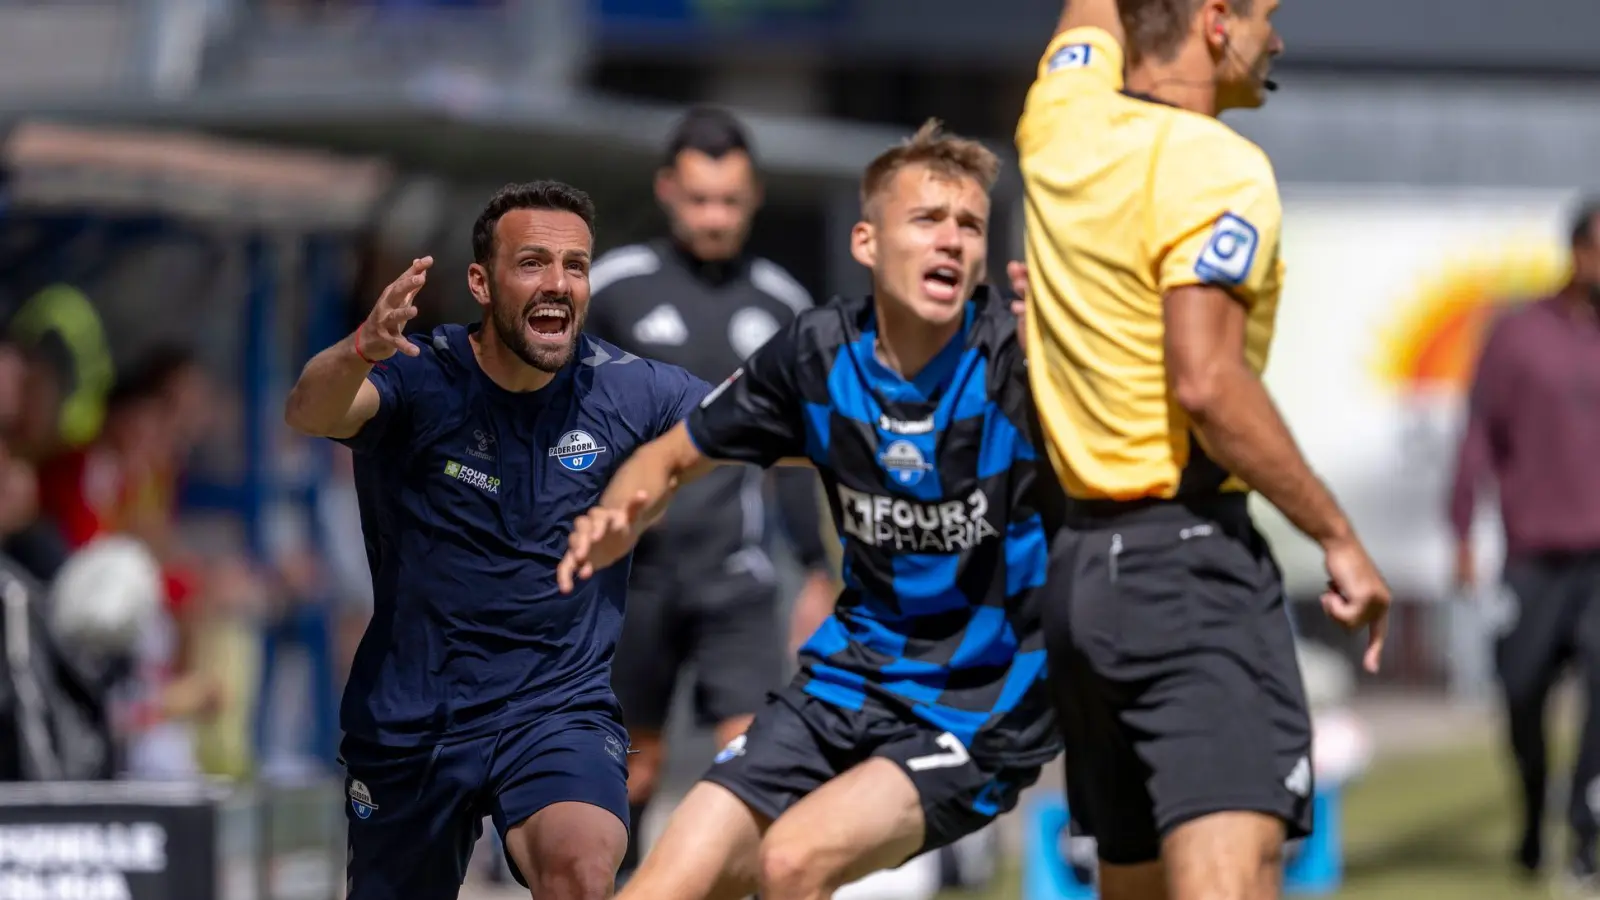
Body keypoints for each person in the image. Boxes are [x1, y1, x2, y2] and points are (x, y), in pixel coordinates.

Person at [558, 119, 1061, 900]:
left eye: (969, 224)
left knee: (791, 861)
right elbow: (673, 453)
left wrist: (1073, 351)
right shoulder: (818, 353)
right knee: (664, 884)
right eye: (927, 219)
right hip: (847, 681)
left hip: (980, 702)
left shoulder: (1020, 358)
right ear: (867, 242)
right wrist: (618, 511)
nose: (952, 240)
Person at [1014, 2, 1392, 899]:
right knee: (1236, 877)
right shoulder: (1218, 165)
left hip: (1082, 579)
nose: (1280, 38)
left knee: (1134, 884)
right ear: (1217, 23)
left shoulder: (1059, 119)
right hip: (1186, 574)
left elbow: (1094, 14)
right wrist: (1338, 534)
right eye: (1268, 15)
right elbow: (1207, 382)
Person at [282, 181, 710, 900]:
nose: (558, 284)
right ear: (482, 282)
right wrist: (360, 349)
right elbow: (310, 410)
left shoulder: (626, 388)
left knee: (580, 869)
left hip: (555, 711)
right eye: (534, 263)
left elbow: (756, 418)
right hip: (414, 718)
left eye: (575, 266)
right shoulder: (422, 376)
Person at [583, 105, 834, 877]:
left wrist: (817, 568)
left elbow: (801, 447)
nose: (714, 217)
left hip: (739, 572)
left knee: (754, 765)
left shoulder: (785, 304)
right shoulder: (613, 288)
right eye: (698, 199)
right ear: (667, 190)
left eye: (729, 200)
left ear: (753, 196)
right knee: (633, 768)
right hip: (634, 574)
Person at [1450, 198, 1600, 889]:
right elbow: (1479, 432)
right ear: (1579, 253)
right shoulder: (1518, 335)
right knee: (1522, 693)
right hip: (1533, 554)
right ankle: (1533, 815)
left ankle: (1586, 826)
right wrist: (1461, 529)